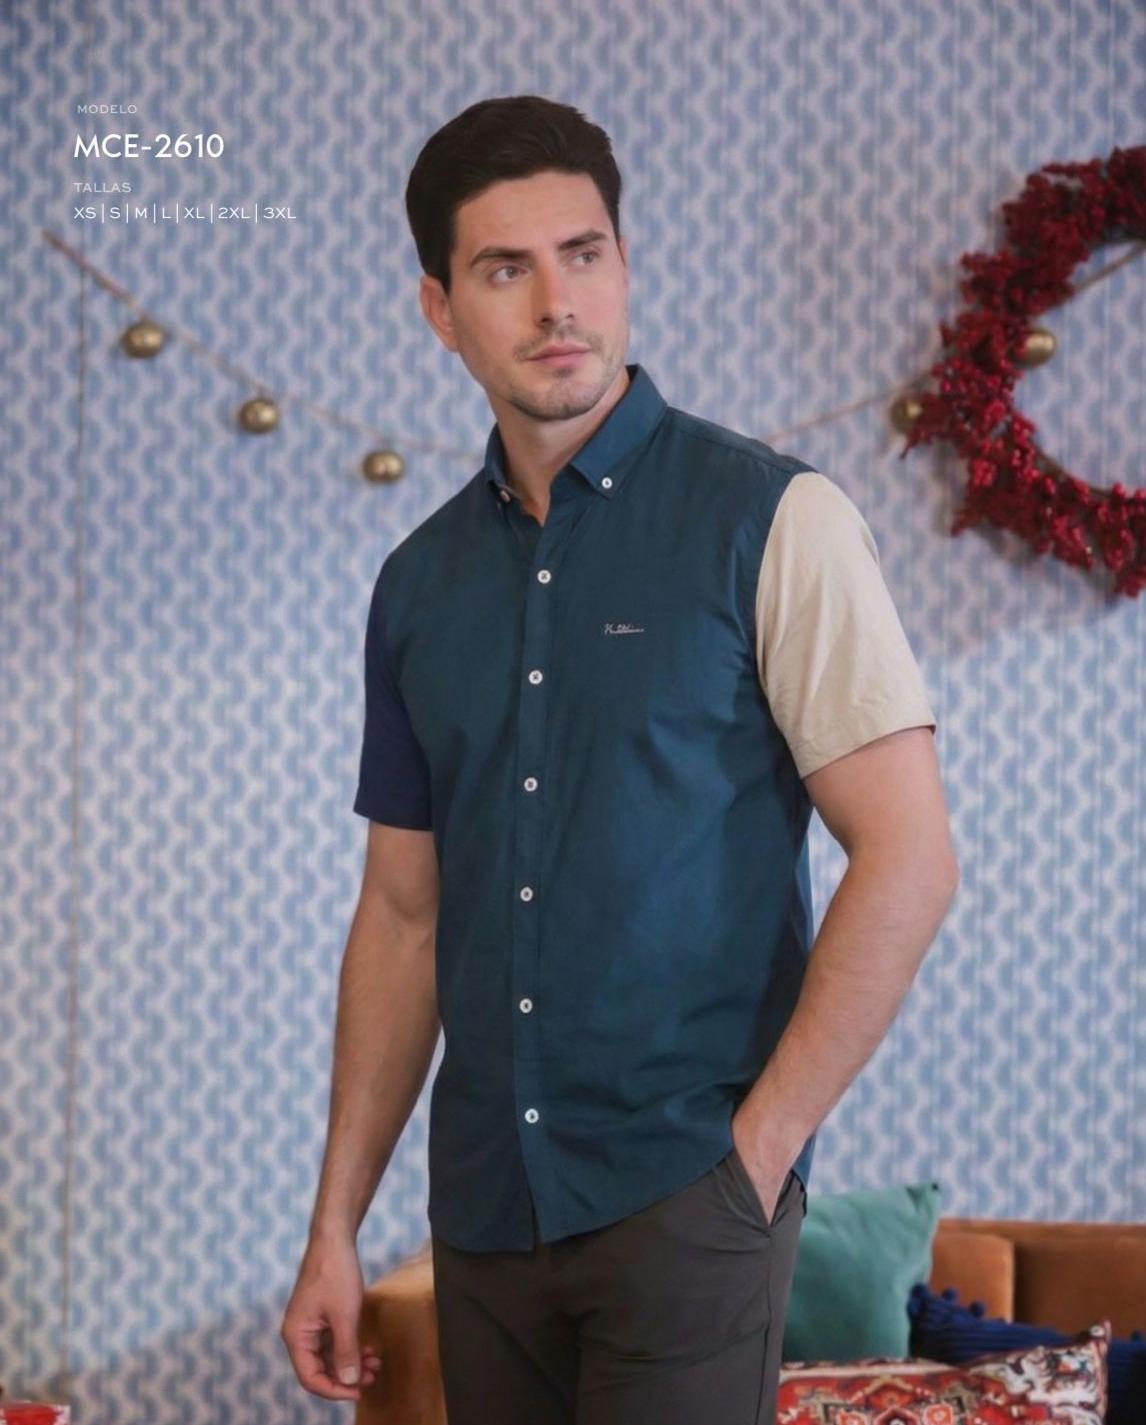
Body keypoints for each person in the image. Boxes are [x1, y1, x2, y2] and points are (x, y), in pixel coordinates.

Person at [281, 94, 959, 1425]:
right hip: (485, 1214)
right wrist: (335, 1225)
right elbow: (403, 915)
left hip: (686, 1201)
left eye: (582, 254)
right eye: (505, 269)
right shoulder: (418, 585)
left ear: (625, 265)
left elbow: (911, 853)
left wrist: (758, 1153)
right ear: (439, 310)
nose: (556, 304)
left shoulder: (775, 520)